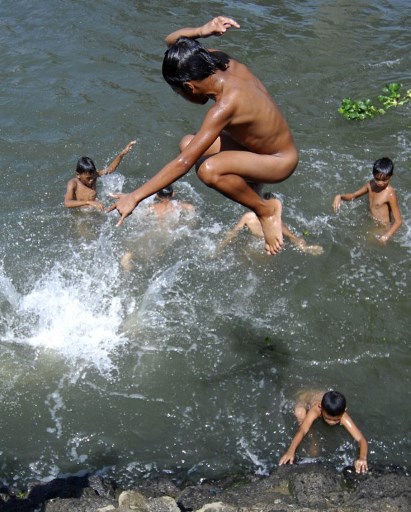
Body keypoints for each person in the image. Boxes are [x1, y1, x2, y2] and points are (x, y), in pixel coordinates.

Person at [108, 16, 299, 255]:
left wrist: (134, 197)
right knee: (187, 142)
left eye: (179, 92)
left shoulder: (225, 105)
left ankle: (266, 210)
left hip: (279, 161)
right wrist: (202, 30)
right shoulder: (219, 61)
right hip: (257, 147)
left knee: (208, 170)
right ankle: (253, 182)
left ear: (189, 87)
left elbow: (184, 163)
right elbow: (173, 43)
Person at [279, 390, 368, 474]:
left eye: (336, 420)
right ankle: (313, 437)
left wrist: (362, 458)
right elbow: (302, 430)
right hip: (305, 398)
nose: (331, 423)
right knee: (300, 413)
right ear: (321, 409)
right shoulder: (315, 410)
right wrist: (290, 451)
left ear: (344, 410)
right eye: (328, 418)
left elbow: (361, 439)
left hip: (323, 398)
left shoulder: (343, 416)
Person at [221, 193, 323, 255]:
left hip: (251, 251)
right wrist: (305, 248)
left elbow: (232, 233)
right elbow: (292, 236)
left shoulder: (248, 217)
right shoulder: (276, 222)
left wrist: (220, 248)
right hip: (267, 253)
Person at [120, 186, 195, 270]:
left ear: (157, 196)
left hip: (153, 234)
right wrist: (189, 223)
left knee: (130, 253)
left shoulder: (153, 207)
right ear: (173, 194)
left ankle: (127, 266)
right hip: (168, 236)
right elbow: (191, 208)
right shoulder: (177, 205)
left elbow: (139, 215)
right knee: (157, 252)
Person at [333, 157, 402, 243]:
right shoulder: (370, 184)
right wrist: (340, 196)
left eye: (384, 180)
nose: (380, 182)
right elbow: (353, 195)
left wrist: (386, 236)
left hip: (382, 227)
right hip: (371, 220)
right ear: (373, 175)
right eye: (377, 179)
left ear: (391, 177)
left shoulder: (390, 194)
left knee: (364, 244)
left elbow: (398, 221)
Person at [64, 140, 136, 211]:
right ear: (78, 175)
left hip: (95, 209)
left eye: (93, 177)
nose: (92, 180)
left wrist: (122, 153)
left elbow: (110, 169)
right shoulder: (73, 183)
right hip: (81, 214)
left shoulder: (94, 175)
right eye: (88, 178)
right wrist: (89, 202)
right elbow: (67, 203)